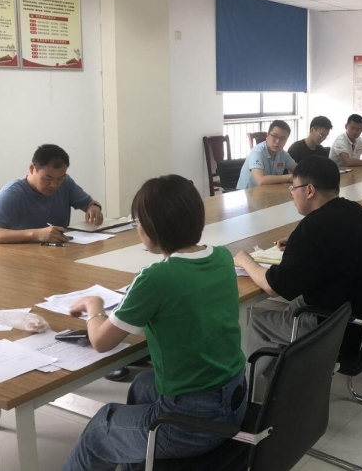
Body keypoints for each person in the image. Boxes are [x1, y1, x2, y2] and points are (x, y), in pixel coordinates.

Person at [62, 175, 247, 471]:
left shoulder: (155, 277)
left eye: (138, 221)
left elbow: (101, 341)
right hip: (235, 401)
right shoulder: (223, 256)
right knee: (142, 385)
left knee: (99, 428)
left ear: (151, 228)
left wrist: (93, 305)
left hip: (194, 424)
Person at [234, 157, 362, 368]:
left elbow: (273, 287)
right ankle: (290, 371)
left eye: (293, 188)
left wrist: (245, 260)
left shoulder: (310, 229)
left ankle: (257, 384)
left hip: (339, 327)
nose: (292, 195)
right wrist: (298, 245)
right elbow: (336, 243)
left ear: (309, 190)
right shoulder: (356, 211)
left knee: (258, 322)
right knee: (296, 305)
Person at [0, 144, 103, 246]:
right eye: (48, 178)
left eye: (60, 178)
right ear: (31, 168)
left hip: (57, 253)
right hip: (21, 258)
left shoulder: (65, 183)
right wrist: (36, 234)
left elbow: (89, 204)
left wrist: (94, 207)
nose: (54, 185)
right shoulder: (13, 193)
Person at [236, 120, 297, 189]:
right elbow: (261, 180)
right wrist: (290, 177)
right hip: (246, 193)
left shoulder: (282, 154)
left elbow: (299, 171)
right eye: (274, 136)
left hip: (267, 192)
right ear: (267, 135)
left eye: (282, 138)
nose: (277, 141)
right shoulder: (257, 152)